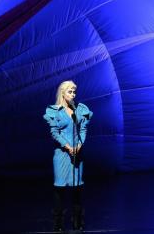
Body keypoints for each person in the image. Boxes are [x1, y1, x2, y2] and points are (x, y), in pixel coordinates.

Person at [43, 80, 93, 232]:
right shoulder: (55, 111)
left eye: (74, 92)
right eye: (70, 92)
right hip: (62, 154)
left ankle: (77, 222)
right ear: (63, 93)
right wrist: (67, 146)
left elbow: (83, 130)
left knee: (77, 188)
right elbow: (54, 133)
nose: (73, 94)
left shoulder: (80, 109)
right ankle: (58, 224)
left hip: (77, 154)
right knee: (60, 189)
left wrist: (79, 145)